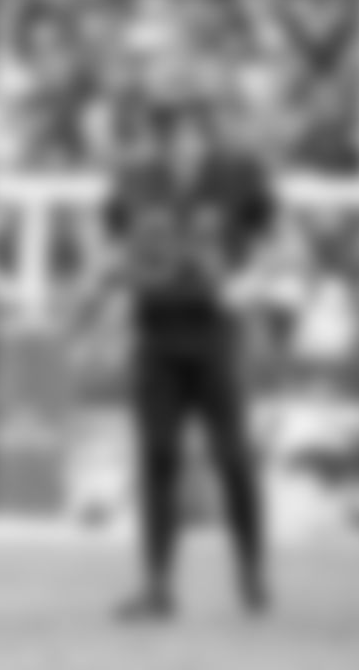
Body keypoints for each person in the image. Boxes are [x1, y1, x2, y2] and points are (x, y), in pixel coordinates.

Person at [100, 101, 277, 620]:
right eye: (174, 136)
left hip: (213, 332)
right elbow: (113, 239)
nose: (184, 146)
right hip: (155, 331)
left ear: (207, 136)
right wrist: (113, 293)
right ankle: (157, 585)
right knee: (157, 456)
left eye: (193, 135)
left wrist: (251, 282)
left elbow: (273, 240)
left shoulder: (238, 175)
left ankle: (252, 575)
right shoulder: (135, 178)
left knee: (234, 456)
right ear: (162, 138)